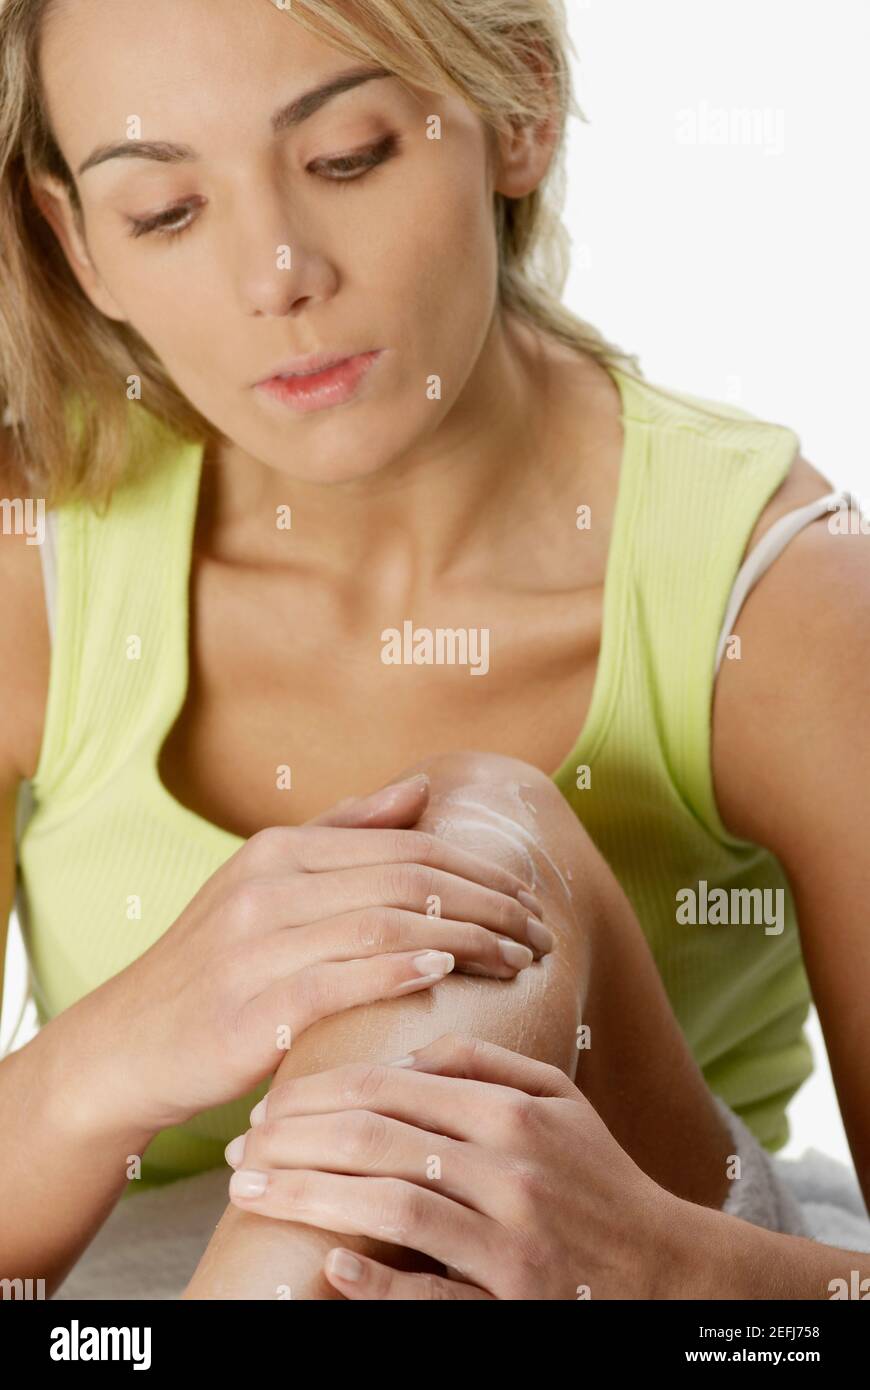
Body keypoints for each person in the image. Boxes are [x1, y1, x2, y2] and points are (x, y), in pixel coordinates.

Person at [0, 0, 867, 1300]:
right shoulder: (35, 558)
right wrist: (114, 1053)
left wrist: (664, 1268)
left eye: (346, 155)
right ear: (82, 245)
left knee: (472, 849)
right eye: (164, 211)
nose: (276, 272)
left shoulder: (781, 601)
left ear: (516, 111)